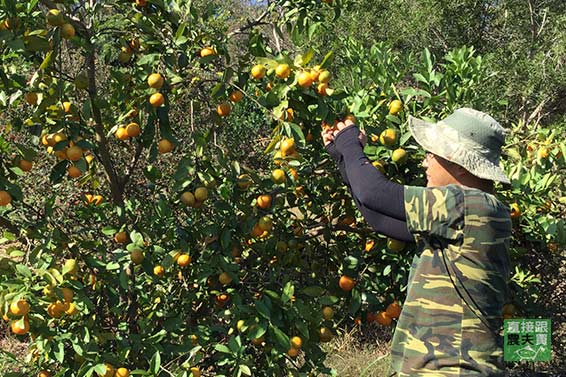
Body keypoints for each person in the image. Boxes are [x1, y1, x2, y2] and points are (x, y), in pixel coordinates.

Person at [322, 108, 512, 376]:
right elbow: (378, 216)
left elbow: (374, 192)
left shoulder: (471, 205)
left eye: (432, 154)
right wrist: (343, 157)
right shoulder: (461, 217)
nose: (425, 162)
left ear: (459, 163)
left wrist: (350, 141)